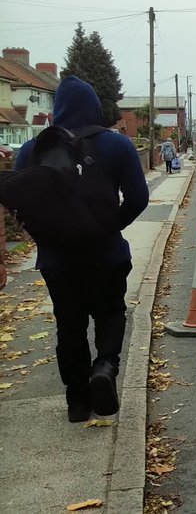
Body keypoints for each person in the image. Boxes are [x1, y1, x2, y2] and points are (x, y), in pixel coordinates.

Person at [14, 76, 149, 422]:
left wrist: (43, 236)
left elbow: (19, 204)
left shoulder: (32, 150)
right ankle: (104, 366)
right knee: (110, 312)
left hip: (58, 260)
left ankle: (77, 403)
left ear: (57, 109)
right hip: (106, 253)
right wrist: (110, 226)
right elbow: (139, 198)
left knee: (68, 326)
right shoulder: (116, 146)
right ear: (93, 106)